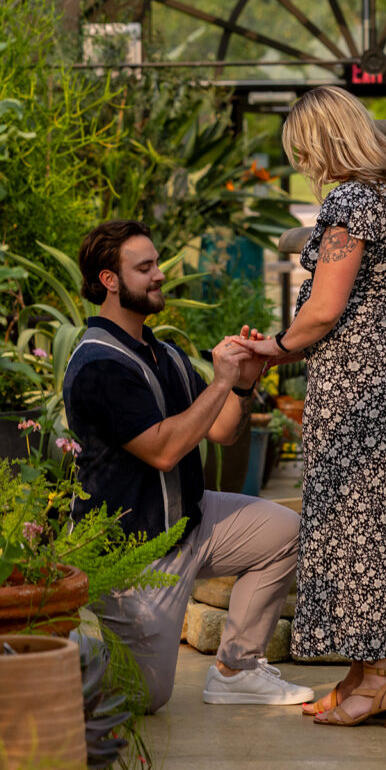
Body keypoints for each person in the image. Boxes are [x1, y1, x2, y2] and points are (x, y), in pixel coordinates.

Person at [235, 86, 386, 728]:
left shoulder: (351, 200)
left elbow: (327, 308)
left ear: (318, 139)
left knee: (356, 524)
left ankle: (383, 681)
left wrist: (272, 349)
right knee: (381, 519)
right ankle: (365, 671)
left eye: (300, 147)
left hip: (358, 380)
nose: (301, 161)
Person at [62, 219, 314, 713]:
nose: (159, 275)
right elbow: (163, 450)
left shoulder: (164, 353)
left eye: (157, 263)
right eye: (145, 267)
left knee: (286, 529)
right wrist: (220, 383)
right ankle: (55, 650)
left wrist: (242, 383)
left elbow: (220, 430)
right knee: (144, 697)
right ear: (109, 281)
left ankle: (236, 671)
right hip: (136, 549)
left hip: (191, 521)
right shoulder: (97, 365)